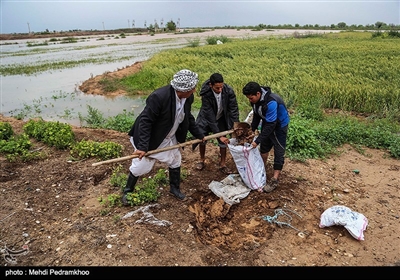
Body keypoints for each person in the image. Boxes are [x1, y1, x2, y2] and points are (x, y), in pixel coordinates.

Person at [121, 69, 206, 205]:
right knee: (141, 166)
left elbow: (187, 117)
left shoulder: (187, 98)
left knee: (175, 159)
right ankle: (127, 191)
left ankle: (174, 188)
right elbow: (145, 121)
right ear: (183, 89)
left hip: (168, 136)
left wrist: (199, 134)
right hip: (152, 138)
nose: (194, 90)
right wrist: (142, 147)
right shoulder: (159, 97)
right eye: (192, 88)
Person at [242, 81, 290, 192]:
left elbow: (271, 125)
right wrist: (252, 130)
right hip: (267, 122)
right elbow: (256, 116)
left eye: (251, 98)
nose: (250, 100)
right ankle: (261, 169)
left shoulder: (271, 102)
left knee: (278, 150)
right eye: (248, 98)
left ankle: (274, 179)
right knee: (264, 148)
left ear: (258, 94)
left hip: (279, 125)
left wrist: (256, 141)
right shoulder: (255, 101)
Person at [192, 73, 239, 175]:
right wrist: (219, 134)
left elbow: (233, 109)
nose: (220, 90)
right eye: (217, 88)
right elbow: (209, 116)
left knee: (223, 142)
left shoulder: (228, 91)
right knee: (202, 138)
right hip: (206, 118)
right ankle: (202, 159)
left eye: (221, 87)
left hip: (221, 117)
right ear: (211, 85)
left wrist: (235, 125)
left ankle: (222, 164)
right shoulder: (206, 94)